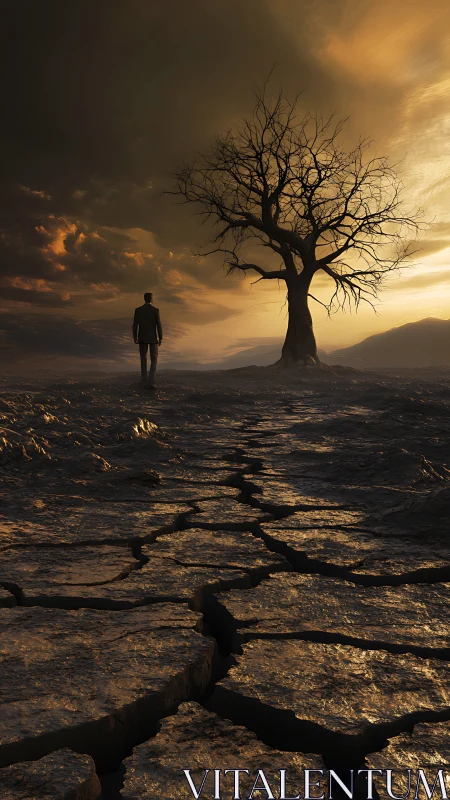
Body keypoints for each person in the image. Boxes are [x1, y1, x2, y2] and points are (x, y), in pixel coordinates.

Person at [132, 292, 163, 388]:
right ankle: (152, 381)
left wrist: (135, 337)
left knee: (143, 359)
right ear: (151, 299)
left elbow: (135, 325)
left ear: (144, 299)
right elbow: (159, 325)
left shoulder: (138, 310)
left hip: (142, 338)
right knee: (154, 359)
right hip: (153, 339)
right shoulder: (155, 310)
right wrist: (160, 337)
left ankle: (143, 380)